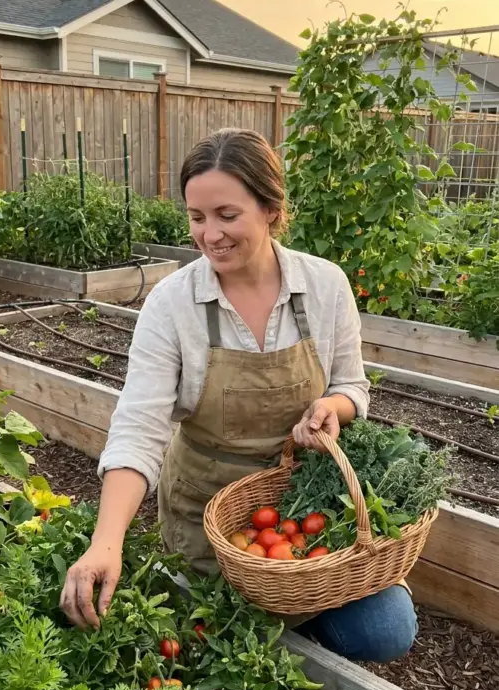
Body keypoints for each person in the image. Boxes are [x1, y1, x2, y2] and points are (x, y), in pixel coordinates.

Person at [60, 128, 417, 663]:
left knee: (387, 631)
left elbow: (351, 386)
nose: (210, 236)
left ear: (271, 208)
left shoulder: (324, 286)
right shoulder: (172, 304)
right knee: (223, 631)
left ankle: (301, 613)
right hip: (207, 508)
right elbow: (140, 428)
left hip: (302, 505)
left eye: (227, 215)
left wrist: (332, 408)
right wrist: (106, 543)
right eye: (196, 217)